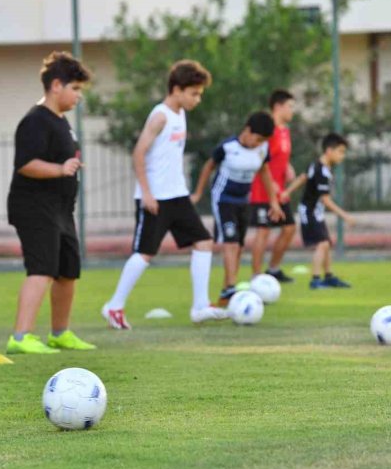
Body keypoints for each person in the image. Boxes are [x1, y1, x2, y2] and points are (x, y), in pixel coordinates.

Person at [101, 60, 226, 329]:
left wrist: (184, 192)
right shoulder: (160, 116)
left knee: (204, 242)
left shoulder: (181, 113)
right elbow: (138, 153)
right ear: (177, 89)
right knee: (145, 254)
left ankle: (200, 306)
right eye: (194, 93)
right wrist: (146, 193)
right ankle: (114, 306)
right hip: (155, 198)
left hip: (177, 196)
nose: (198, 99)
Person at [5, 51, 97, 355]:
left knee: (68, 271)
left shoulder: (62, 122)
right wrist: (60, 169)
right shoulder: (35, 120)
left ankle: (60, 333)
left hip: (61, 210)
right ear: (56, 85)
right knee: (41, 269)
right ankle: (20, 337)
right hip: (34, 207)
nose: (78, 96)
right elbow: (25, 164)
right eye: (75, 89)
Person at [191, 112, 282, 304]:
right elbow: (208, 167)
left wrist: (273, 202)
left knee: (239, 245)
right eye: (257, 139)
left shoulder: (262, 149)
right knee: (230, 242)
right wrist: (198, 193)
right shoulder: (228, 147)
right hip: (223, 198)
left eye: (262, 141)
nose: (258, 143)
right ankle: (231, 287)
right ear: (247, 130)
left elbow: (264, 172)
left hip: (243, 200)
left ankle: (226, 289)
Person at [286, 132, 355, 290]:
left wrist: (287, 192)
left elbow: (303, 178)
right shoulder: (322, 171)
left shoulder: (317, 165)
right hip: (309, 212)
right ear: (329, 151)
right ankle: (315, 280)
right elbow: (325, 200)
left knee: (326, 243)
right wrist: (344, 216)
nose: (342, 156)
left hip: (315, 212)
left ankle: (329, 277)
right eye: (340, 152)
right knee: (322, 244)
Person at [249, 90, 298, 283]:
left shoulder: (285, 131)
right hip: (263, 191)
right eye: (290, 107)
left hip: (280, 192)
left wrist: (288, 167)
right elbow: (262, 160)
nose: (292, 111)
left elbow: (279, 156)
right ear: (278, 107)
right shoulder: (268, 131)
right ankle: (256, 276)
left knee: (289, 228)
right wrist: (274, 187)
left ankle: (273, 269)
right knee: (264, 230)